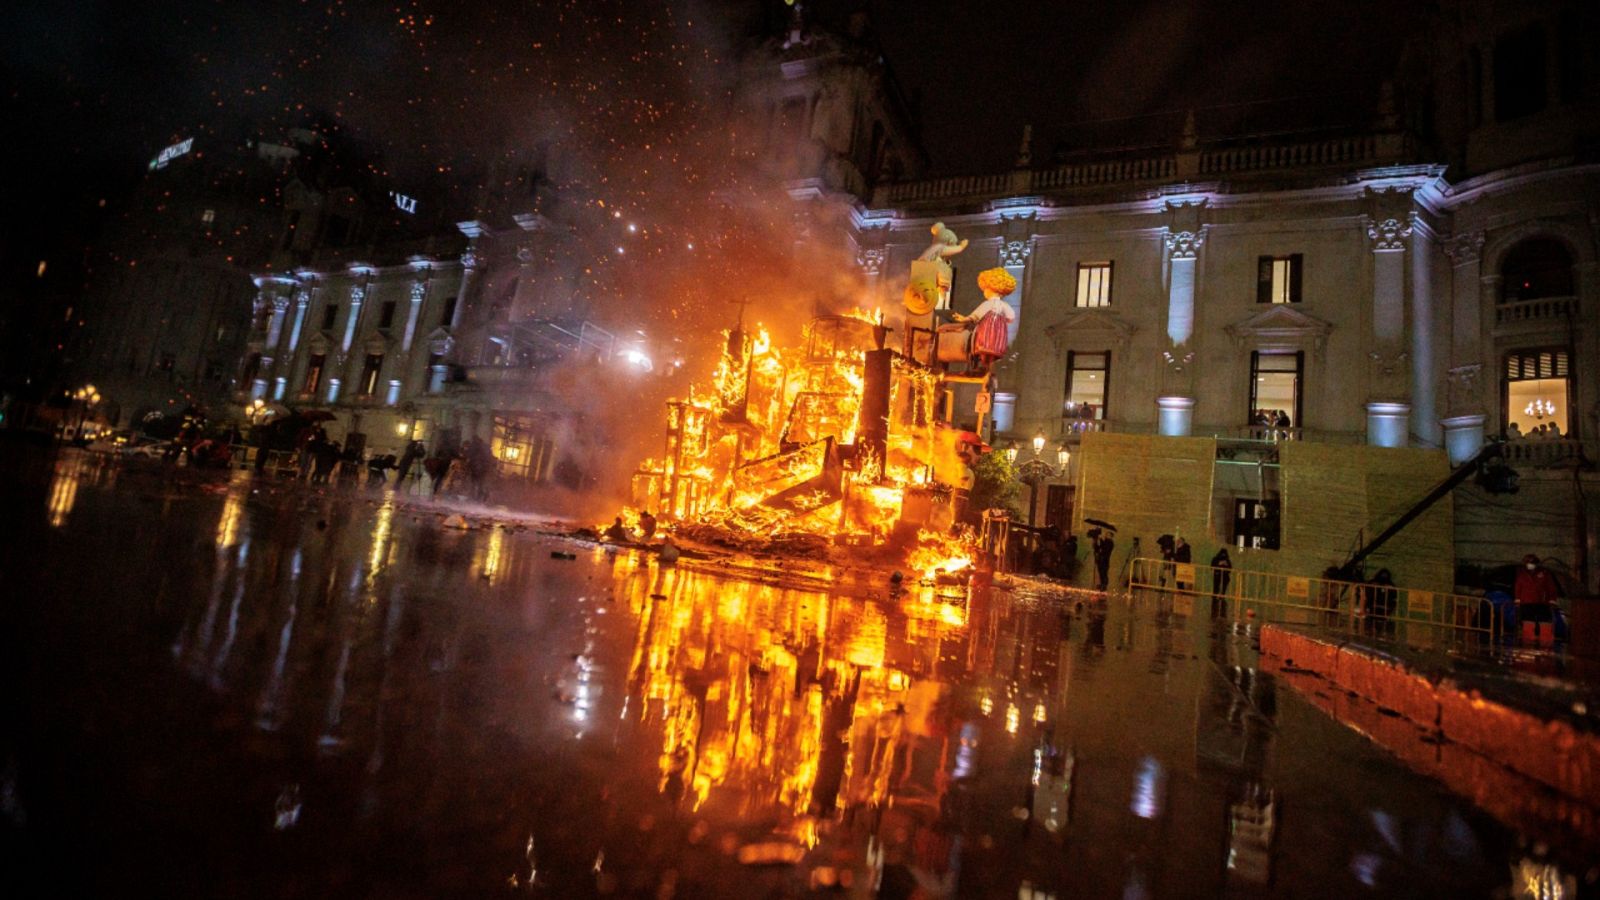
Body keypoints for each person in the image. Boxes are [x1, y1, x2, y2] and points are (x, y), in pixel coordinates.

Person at [1514, 553, 1559, 641]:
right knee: (1528, 623)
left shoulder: (1544, 573)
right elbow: (1518, 587)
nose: (1530, 564)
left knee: (1545, 623)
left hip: (1542, 603)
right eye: (1528, 562)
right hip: (1526, 602)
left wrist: (1552, 599)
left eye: (1532, 562)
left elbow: (1551, 587)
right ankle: (1528, 642)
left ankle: (1546, 642)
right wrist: (1518, 599)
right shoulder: (1522, 574)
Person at [1210, 547, 1233, 616]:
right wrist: (1218, 564)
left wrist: (1226, 565)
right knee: (1216, 587)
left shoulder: (1227, 560)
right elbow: (1212, 566)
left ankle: (1221, 596)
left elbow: (1230, 568)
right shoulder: (1216, 559)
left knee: (1223, 587)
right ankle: (1215, 597)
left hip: (1224, 576)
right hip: (1217, 575)